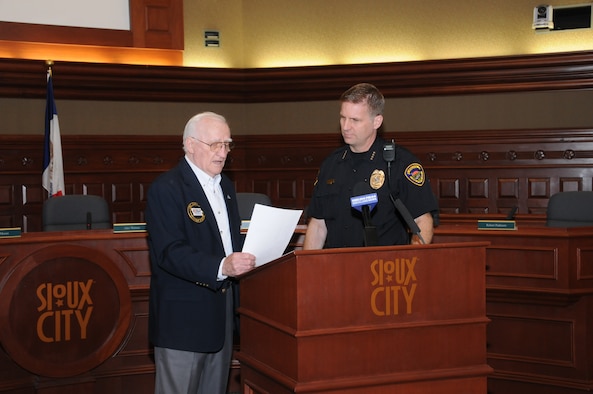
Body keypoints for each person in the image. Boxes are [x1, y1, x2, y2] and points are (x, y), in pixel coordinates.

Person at [145, 111, 257, 394]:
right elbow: (169, 252)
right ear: (190, 145)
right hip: (182, 323)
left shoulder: (227, 187)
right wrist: (222, 267)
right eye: (215, 145)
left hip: (220, 320)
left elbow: (228, 244)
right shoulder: (166, 189)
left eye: (227, 144)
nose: (222, 153)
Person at [303, 83, 438, 249]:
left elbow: (422, 221)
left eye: (355, 120)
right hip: (336, 268)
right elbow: (317, 225)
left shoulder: (400, 163)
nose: (345, 126)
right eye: (343, 117)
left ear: (377, 121)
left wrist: (411, 265)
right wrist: (308, 270)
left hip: (385, 268)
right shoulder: (330, 164)